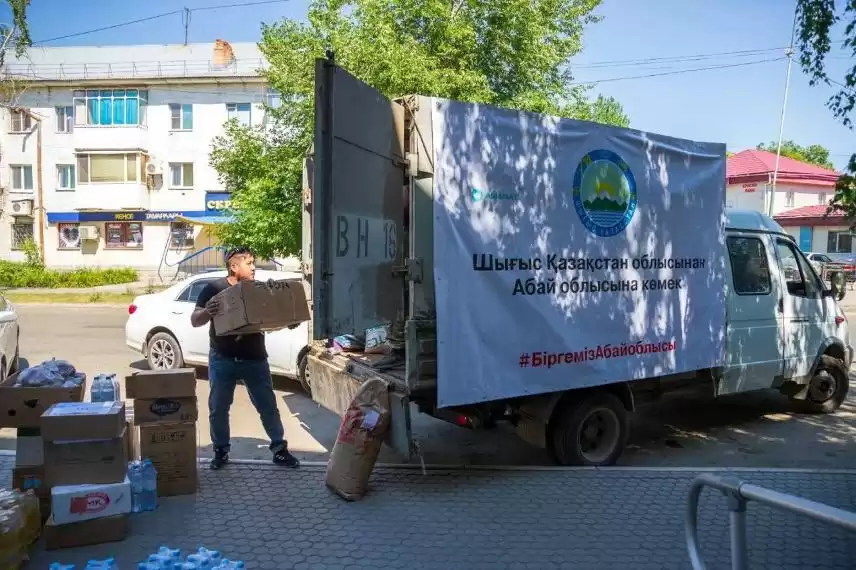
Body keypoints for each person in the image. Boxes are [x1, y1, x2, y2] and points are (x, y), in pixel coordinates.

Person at [190, 247, 300, 470]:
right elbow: (195, 320)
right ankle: (220, 451)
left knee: (267, 406)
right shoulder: (214, 289)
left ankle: (279, 449)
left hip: (255, 358)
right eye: (248, 263)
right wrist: (207, 312)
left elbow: (267, 320)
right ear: (233, 266)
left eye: (253, 262)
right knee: (218, 407)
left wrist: (288, 319)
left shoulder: (256, 290)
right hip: (223, 359)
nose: (253, 267)